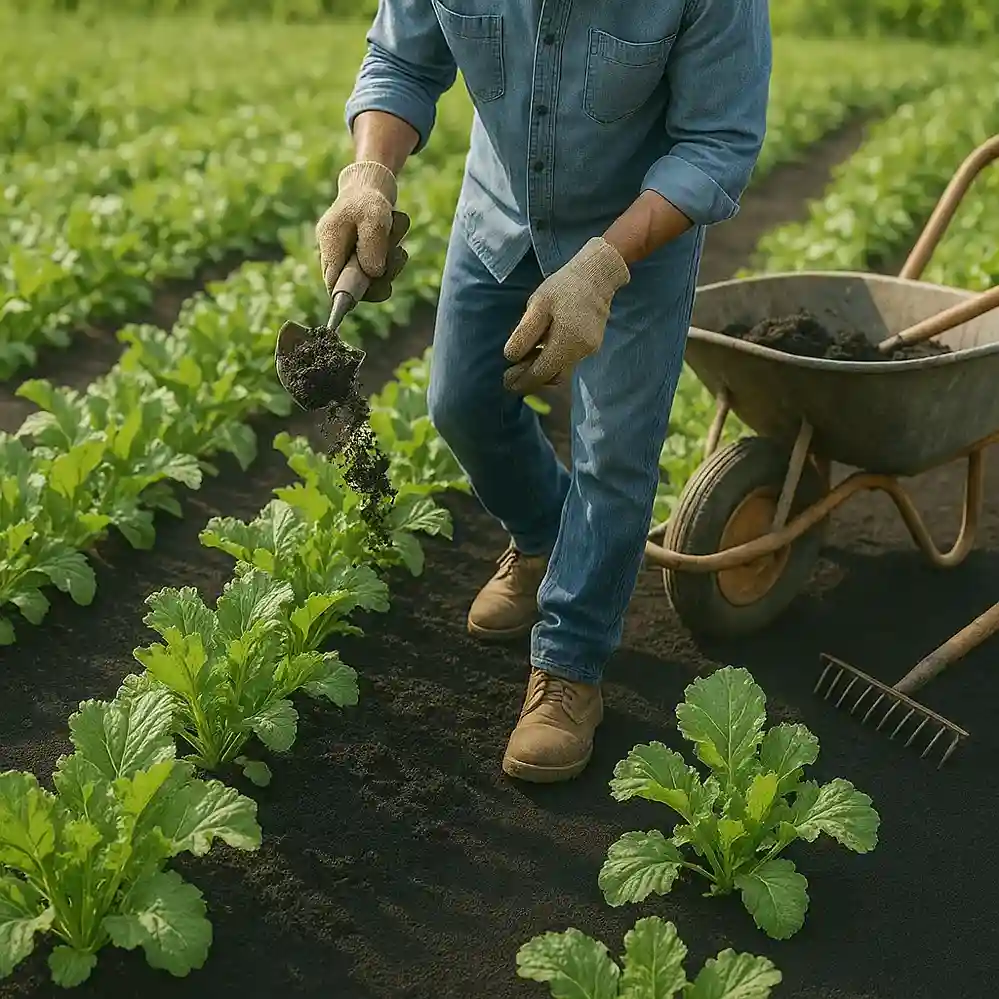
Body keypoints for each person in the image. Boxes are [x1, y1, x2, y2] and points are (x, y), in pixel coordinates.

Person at [317, 1, 772, 784]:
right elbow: (402, 61)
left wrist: (602, 267)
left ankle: (569, 662)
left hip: (635, 231)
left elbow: (715, 142)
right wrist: (369, 174)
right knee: (460, 399)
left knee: (612, 454)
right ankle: (540, 537)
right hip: (501, 207)